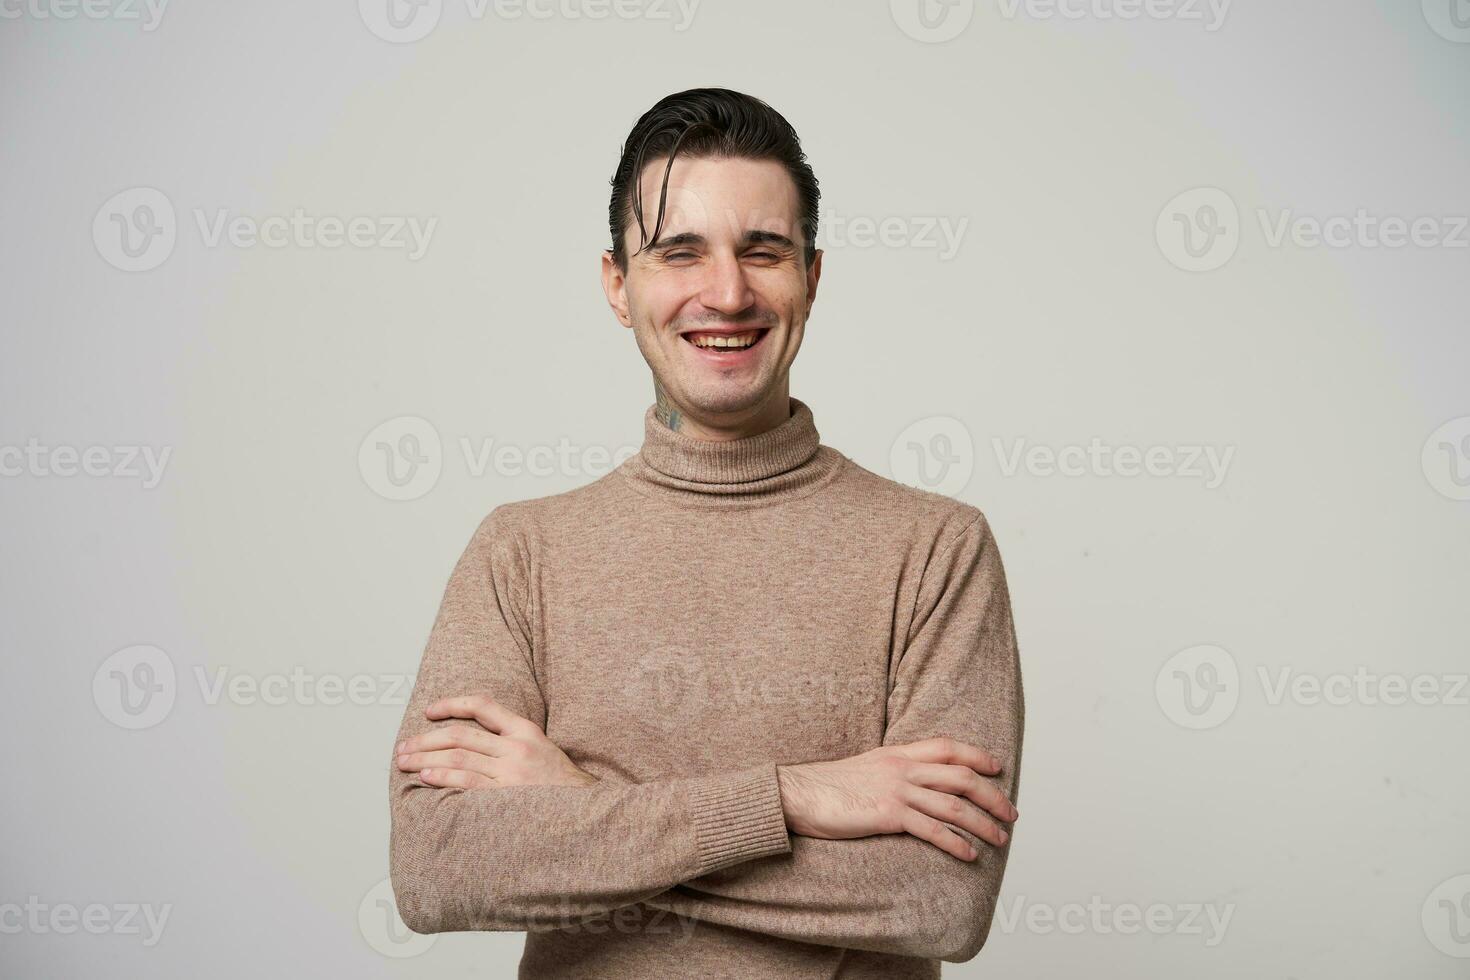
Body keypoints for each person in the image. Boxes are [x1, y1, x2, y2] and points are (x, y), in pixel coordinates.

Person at [388, 86, 1024, 979]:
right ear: (618, 285)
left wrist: (577, 807)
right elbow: (439, 869)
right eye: (678, 251)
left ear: (812, 276)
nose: (726, 292)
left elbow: (937, 900)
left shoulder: (936, 550)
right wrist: (796, 796)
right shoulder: (520, 553)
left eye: (763, 251)